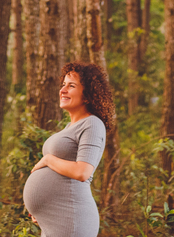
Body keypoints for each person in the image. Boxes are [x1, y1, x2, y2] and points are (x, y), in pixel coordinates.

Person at [22, 62, 115, 237]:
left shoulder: (92, 124)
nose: (62, 90)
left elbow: (83, 172)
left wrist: (48, 159)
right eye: (63, 85)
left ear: (87, 94)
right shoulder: (69, 127)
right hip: (55, 219)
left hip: (71, 218)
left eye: (71, 86)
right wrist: (42, 209)